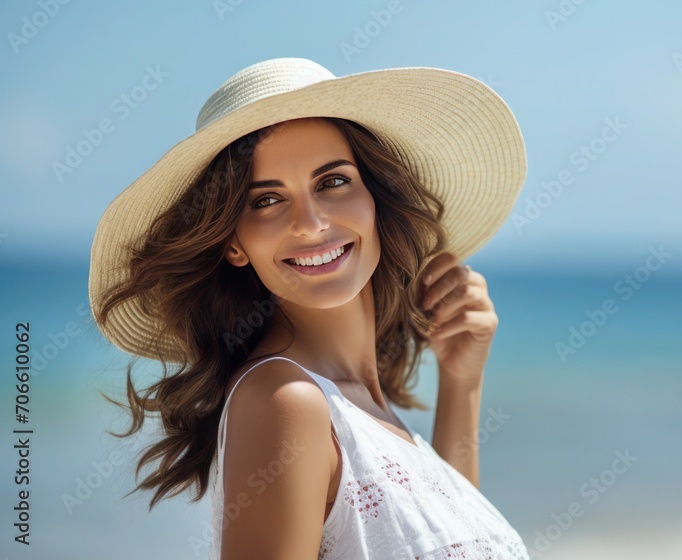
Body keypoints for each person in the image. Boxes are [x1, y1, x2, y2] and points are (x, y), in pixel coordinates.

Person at [88, 57, 529, 559]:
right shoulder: (284, 400)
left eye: (333, 182)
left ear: (375, 199)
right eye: (266, 201)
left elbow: (450, 534)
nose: (311, 223)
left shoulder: (359, 410)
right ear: (233, 243)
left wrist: (462, 382)